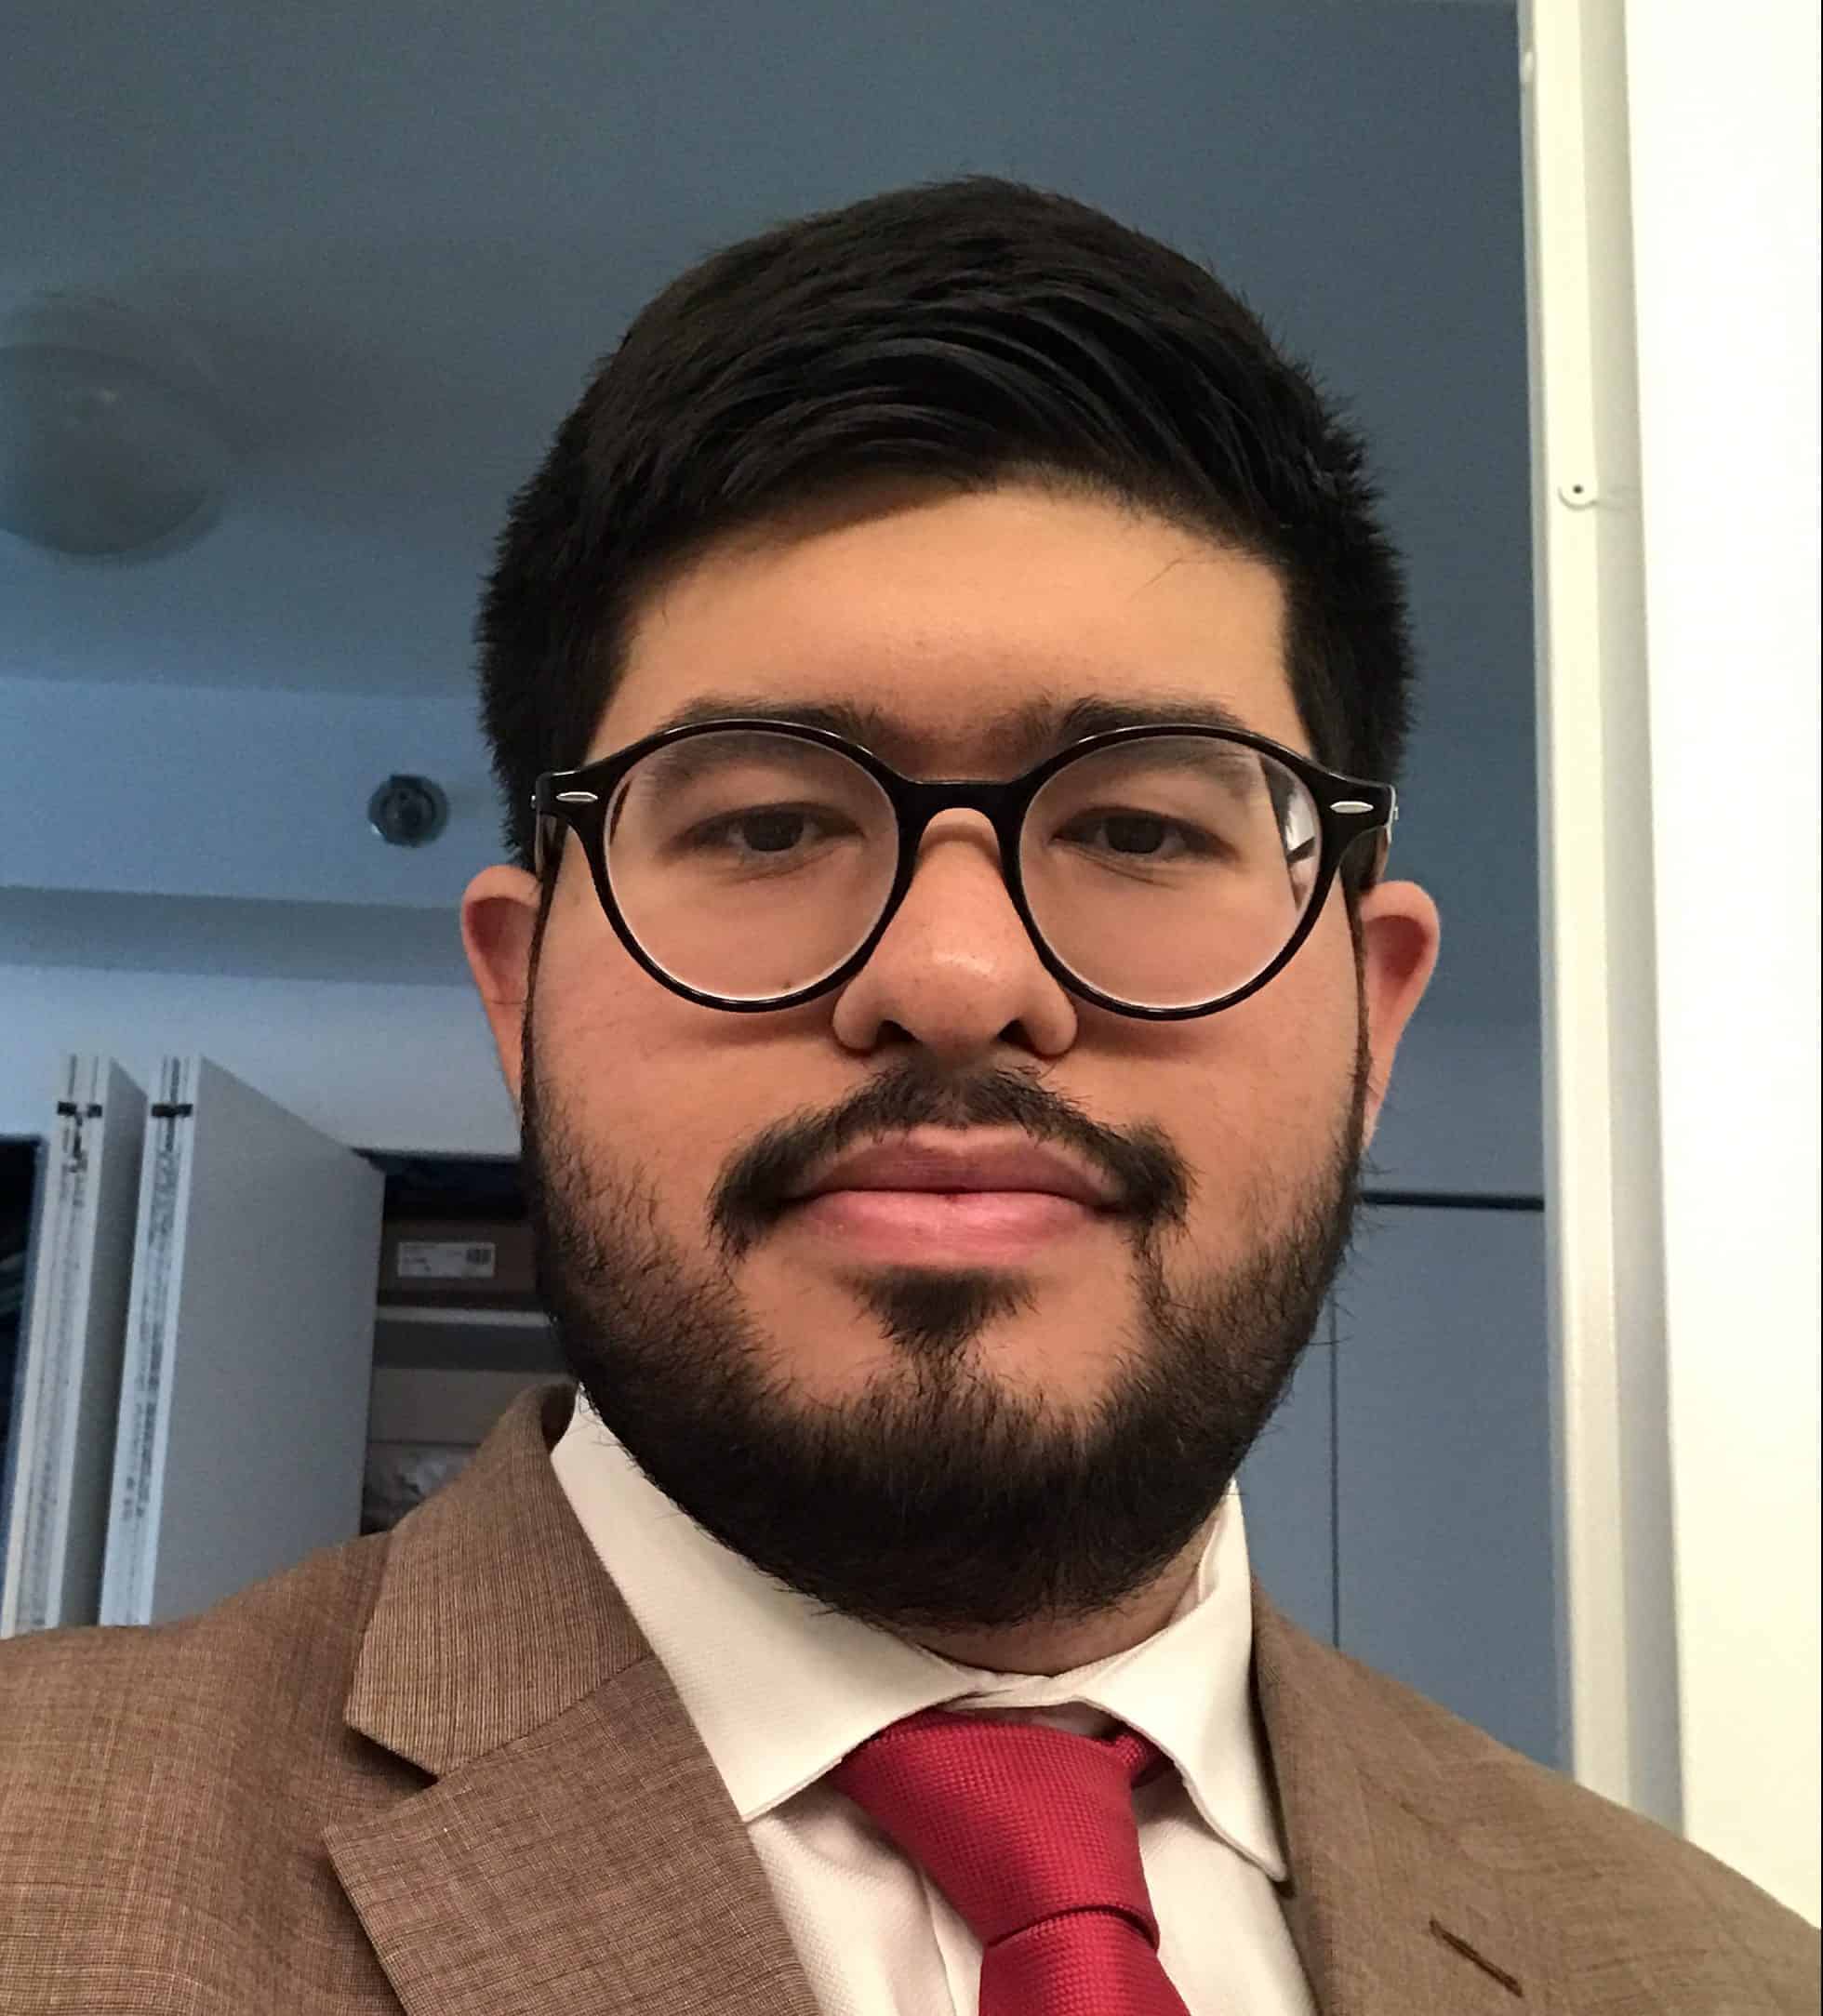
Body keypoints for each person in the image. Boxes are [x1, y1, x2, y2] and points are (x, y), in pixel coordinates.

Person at [1, 176, 1816, 2016]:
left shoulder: (1720, 1975)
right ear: (519, 987)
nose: (953, 978)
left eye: (1135, 823)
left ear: (1368, 1004)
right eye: (768, 820)